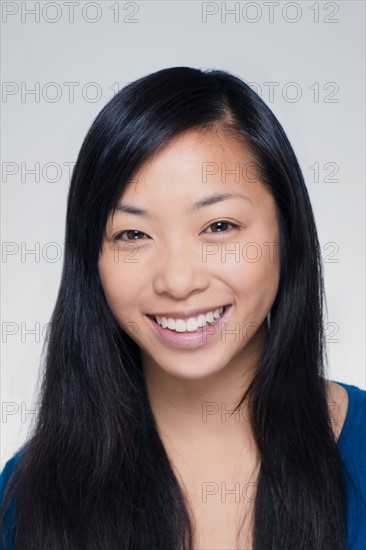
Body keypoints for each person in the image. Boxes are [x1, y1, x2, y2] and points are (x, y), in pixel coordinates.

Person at [0, 66, 365, 550]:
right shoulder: (27, 495)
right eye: (132, 234)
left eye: (218, 226)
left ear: (287, 232)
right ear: (93, 260)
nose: (177, 280)